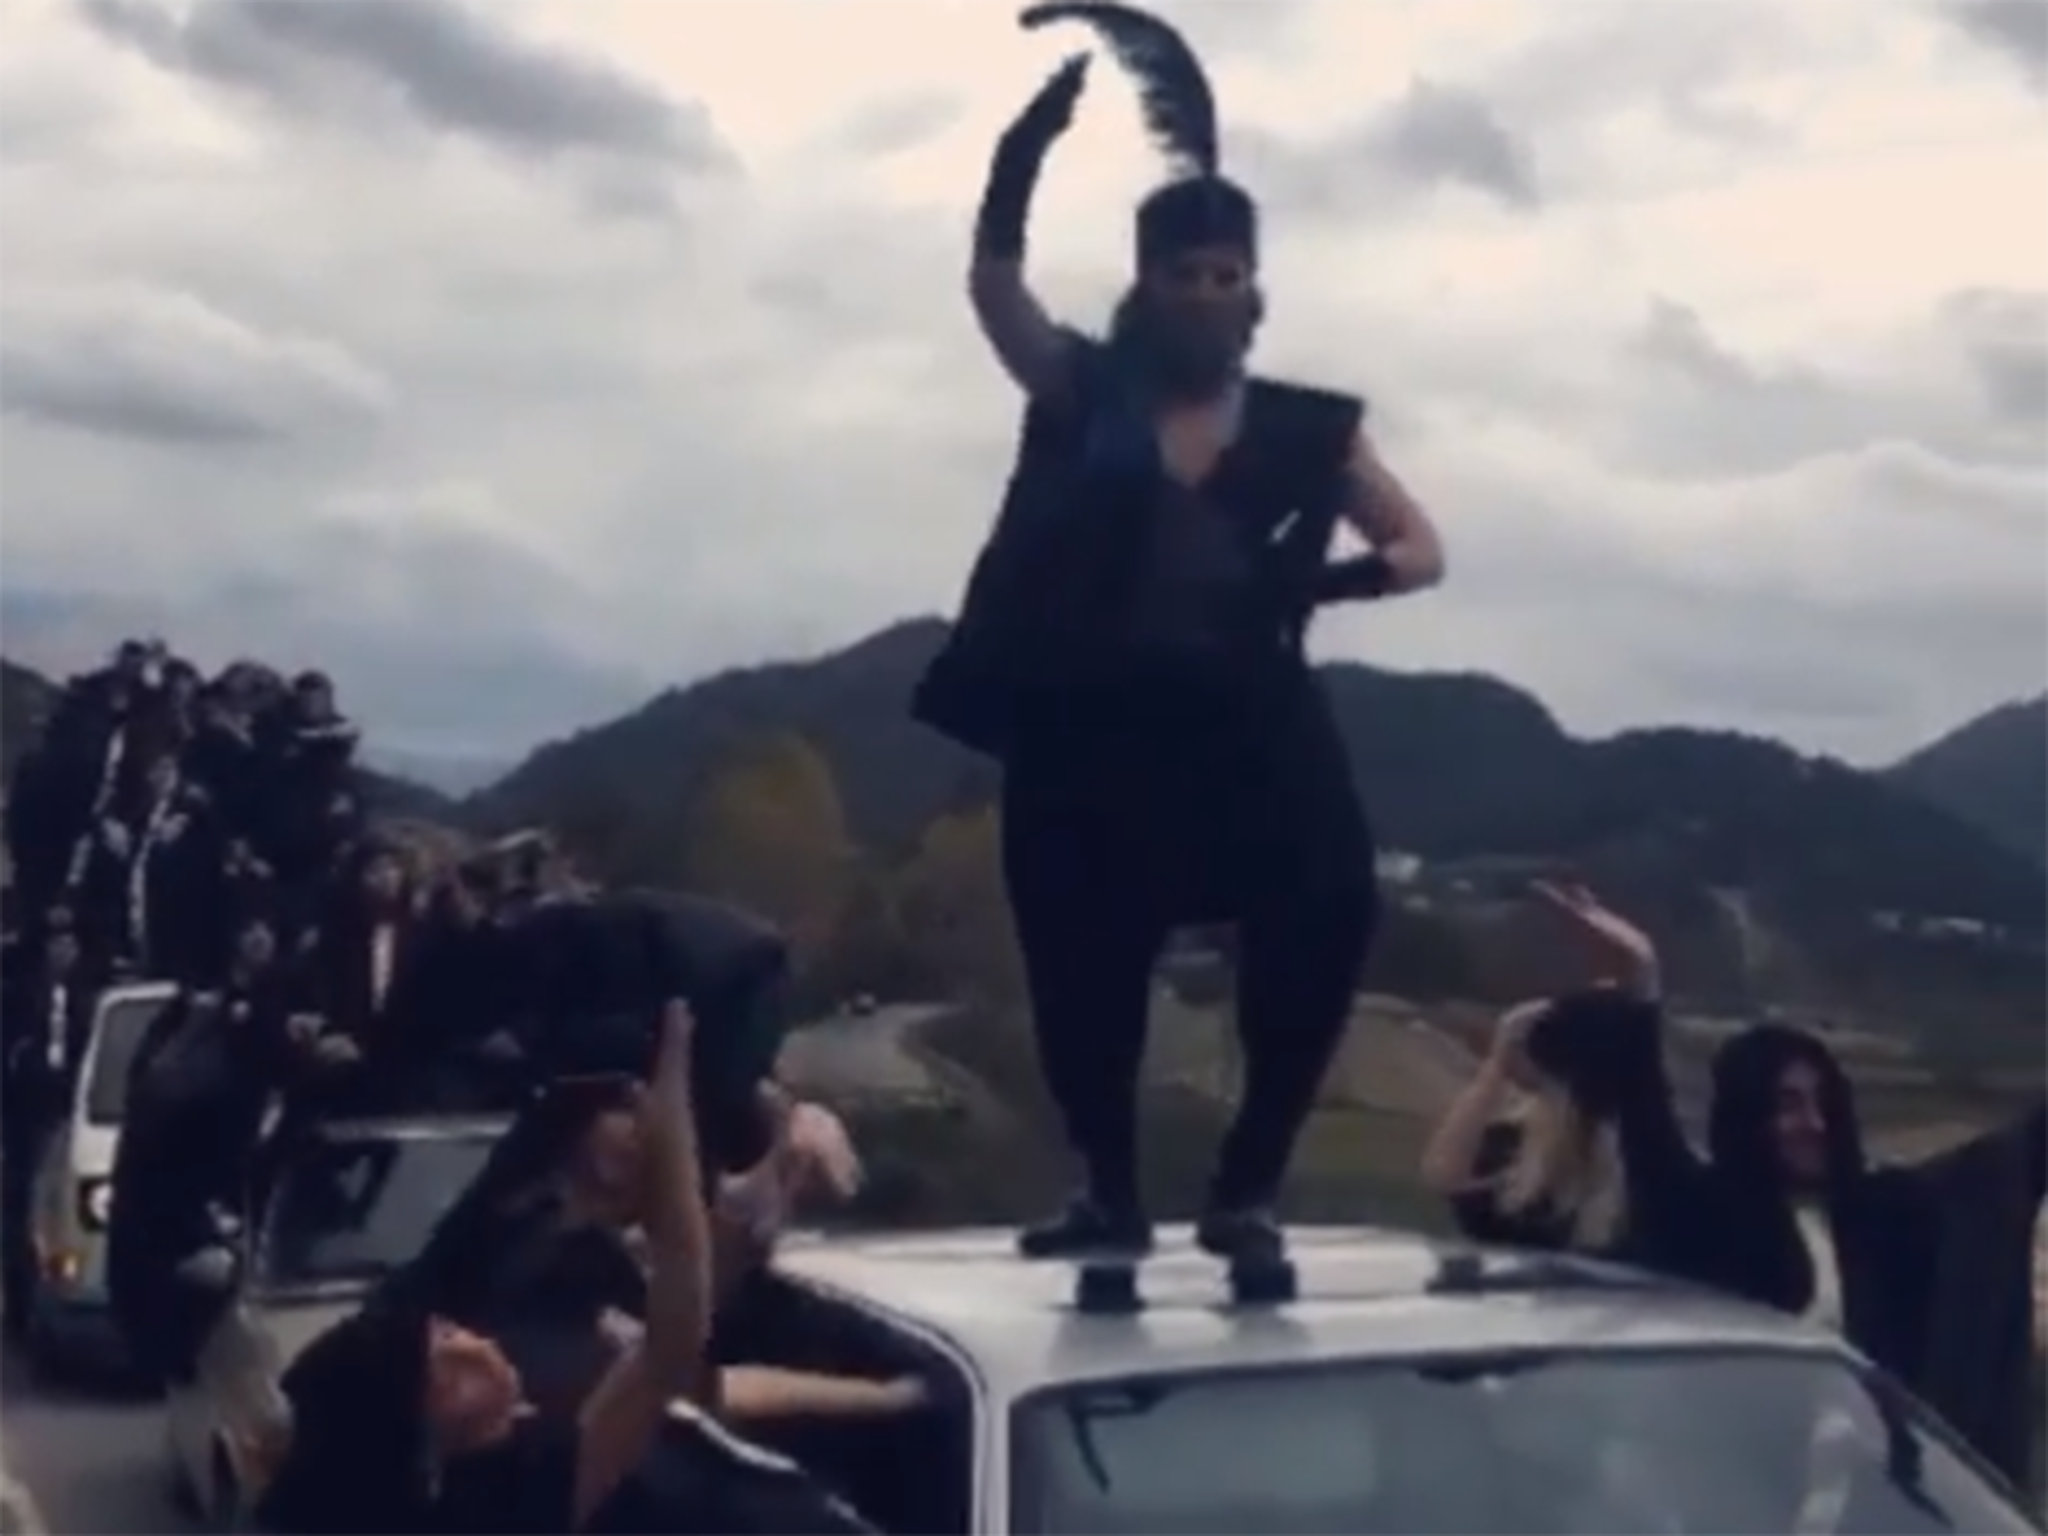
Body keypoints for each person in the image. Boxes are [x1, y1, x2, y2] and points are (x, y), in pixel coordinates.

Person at [914, 4, 1444, 1264]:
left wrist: (1318, 591)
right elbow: (995, 292)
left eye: (1227, 277)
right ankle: (1106, 1187)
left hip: (1250, 725)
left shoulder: (1308, 428)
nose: (1209, 296)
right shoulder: (1084, 391)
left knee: (1323, 907)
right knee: (1078, 956)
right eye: (1184, 277)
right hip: (1090, 731)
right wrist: (1018, 161)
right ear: (1146, 289)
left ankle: (1246, 1187)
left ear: (1252, 291)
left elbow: (1419, 547)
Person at [1698, 1021, 2048, 1490]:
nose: (1815, 1123)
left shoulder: (1874, 1217)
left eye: (1822, 1101)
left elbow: (2003, 1166)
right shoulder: (1703, 1225)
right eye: (1789, 1104)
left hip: (1866, 1497)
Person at [1417, 883, 1687, 1263]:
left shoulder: (1646, 1158)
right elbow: (1442, 1173)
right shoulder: (1519, 1166)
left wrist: (1497, 1062)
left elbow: (1638, 1040)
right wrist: (1497, 1064)